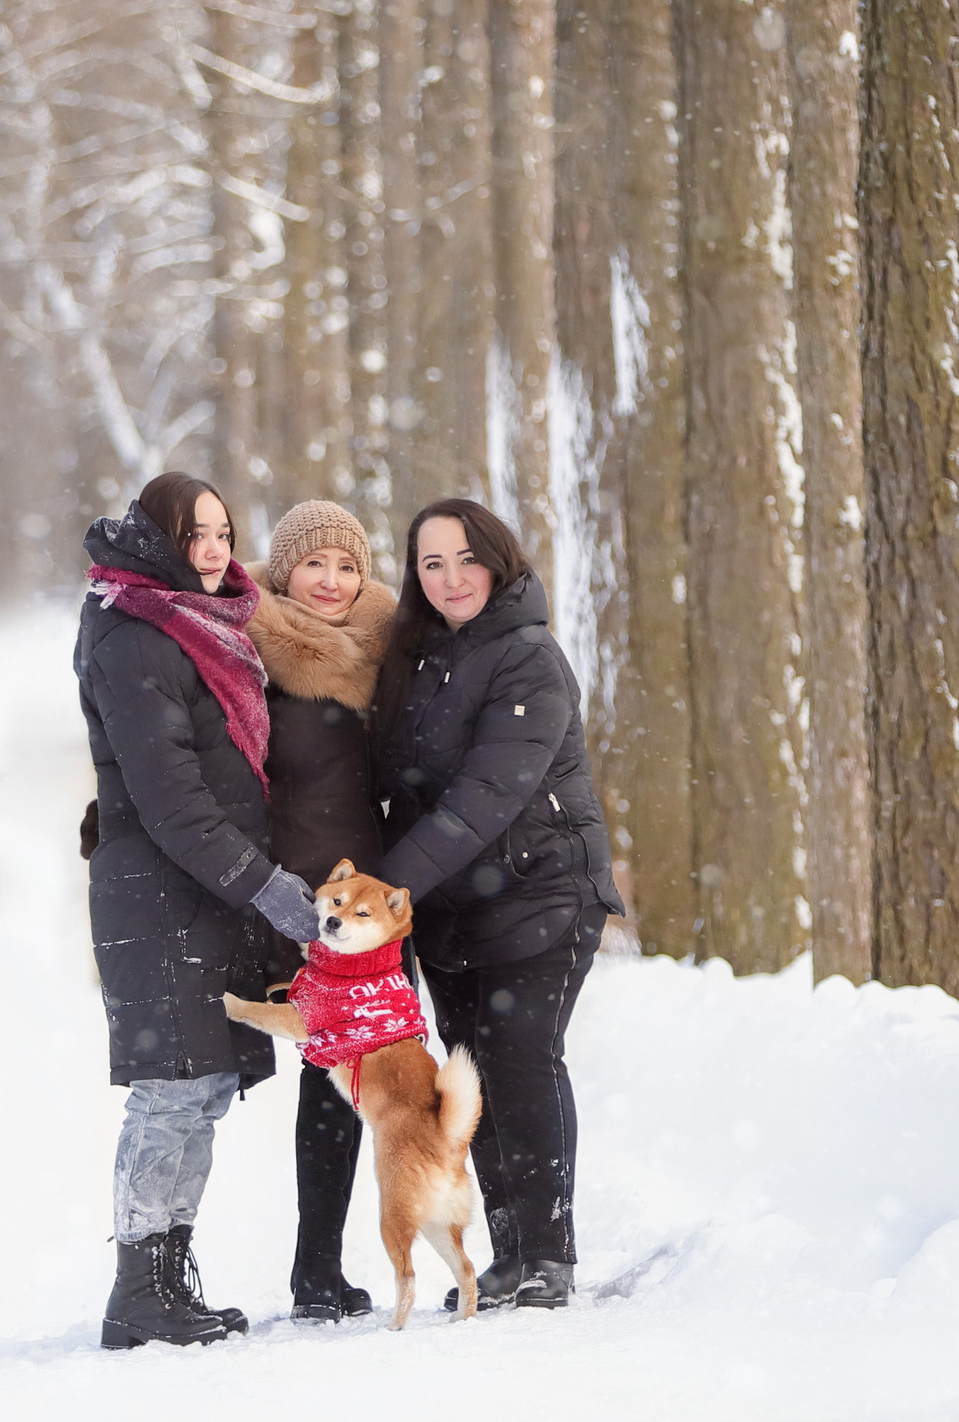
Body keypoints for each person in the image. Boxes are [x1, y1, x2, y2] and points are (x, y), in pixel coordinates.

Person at [76, 471, 324, 1349]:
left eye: (223, 533)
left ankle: (166, 1277)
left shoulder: (198, 622)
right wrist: (266, 886)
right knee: (170, 1095)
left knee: (202, 1090)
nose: (215, 551)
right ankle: (138, 1288)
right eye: (195, 536)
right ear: (159, 543)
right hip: (162, 894)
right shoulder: (134, 634)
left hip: (199, 893)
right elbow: (172, 800)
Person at [368, 498, 625, 1312]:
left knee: (521, 1059)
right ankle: (510, 1252)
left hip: (542, 892)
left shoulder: (529, 658)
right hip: (457, 910)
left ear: (497, 559)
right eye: (432, 563)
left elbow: (485, 796)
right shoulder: (415, 659)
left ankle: (548, 1252)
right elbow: (399, 787)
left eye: (466, 559)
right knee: (471, 1072)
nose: (452, 578)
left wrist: (386, 893)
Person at [240, 499, 399, 1322]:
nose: (331, 581)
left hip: (373, 896)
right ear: (283, 571)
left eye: (346, 566)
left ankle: (320, 1270)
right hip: (295, 894)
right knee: (318, 1070)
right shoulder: (253, 651)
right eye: (313, 564)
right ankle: (312, 1270)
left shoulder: (387, 652)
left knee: (353, 1076)